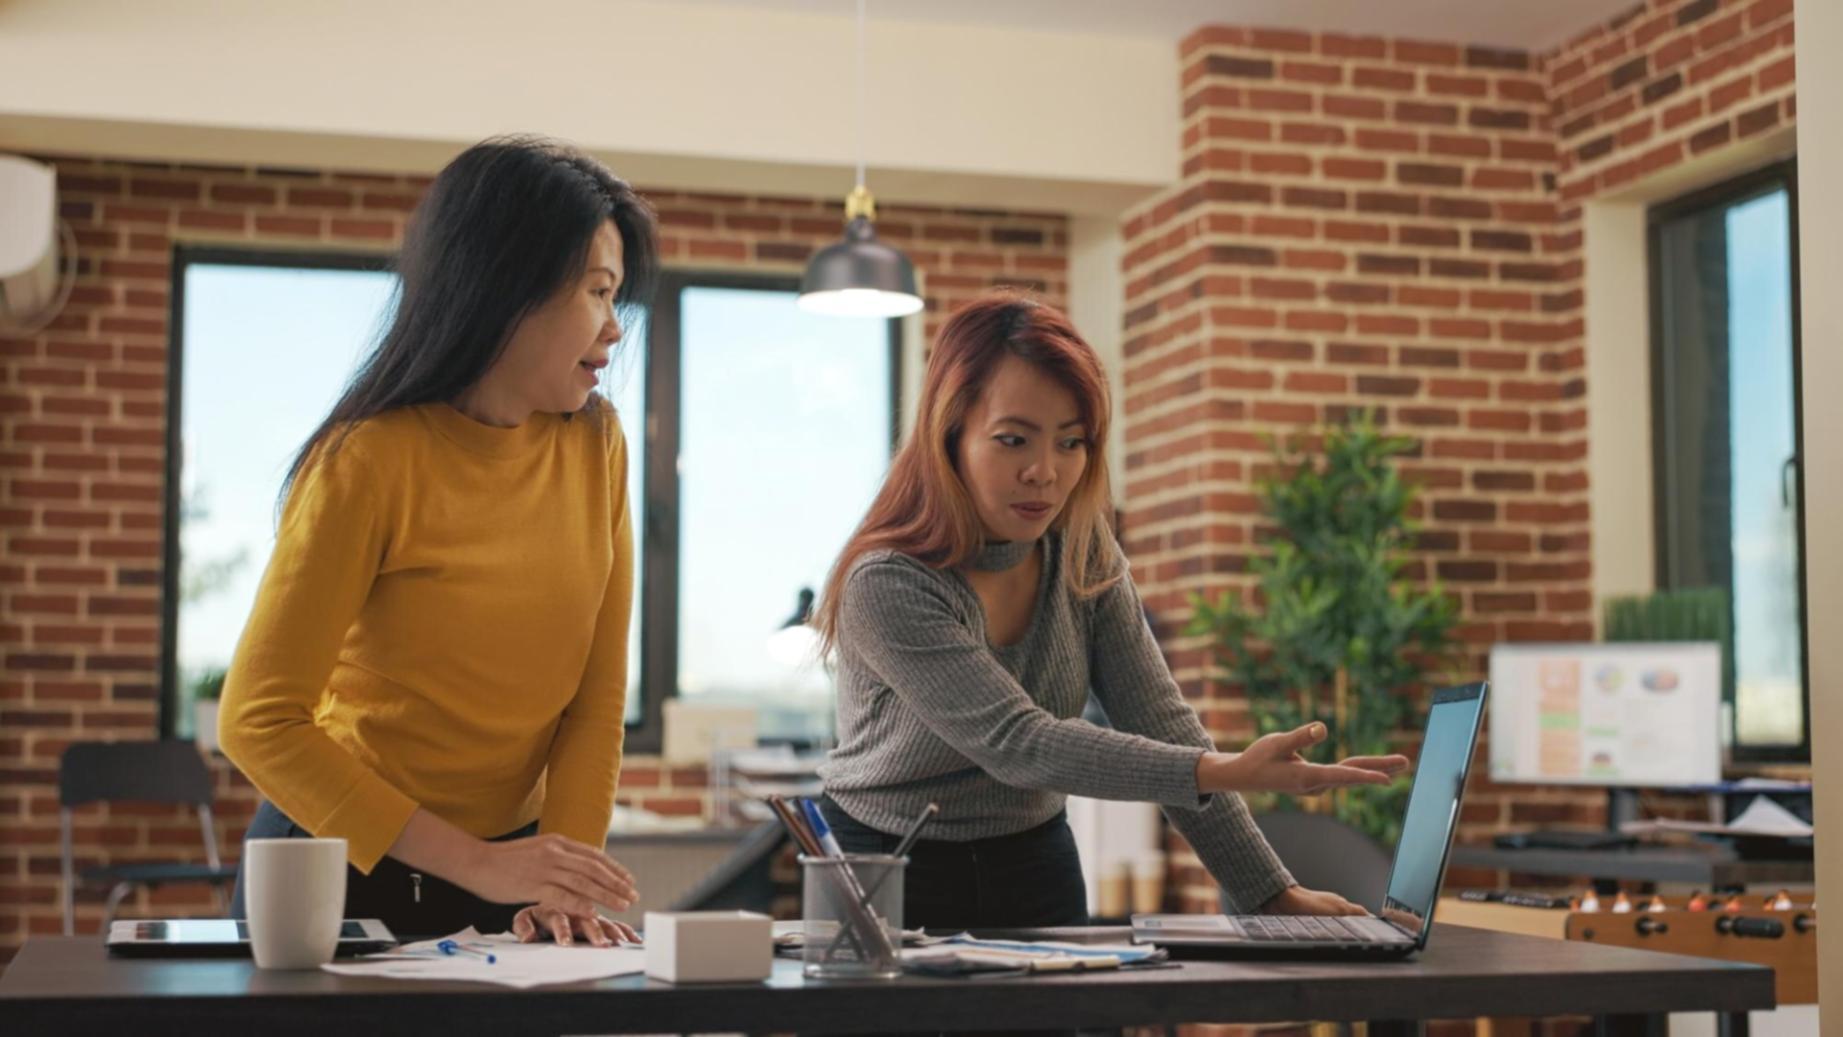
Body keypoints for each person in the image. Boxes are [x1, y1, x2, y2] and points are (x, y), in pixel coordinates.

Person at [813, 292, 1409, 930]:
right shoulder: (887, 581)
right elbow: (1018, 743)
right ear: (949, 435)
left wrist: (1268, 892)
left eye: (1071, 442)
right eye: (1013, 440)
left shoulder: (1083, 553)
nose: (1045, 471)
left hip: (1033, 857)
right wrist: (1226, 770)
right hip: (885, 863)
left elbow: (1161, 720)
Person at [219, 135, 657, 946]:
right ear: (509, 286)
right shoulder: (367, 459)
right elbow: (258, 720)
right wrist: (482, 864)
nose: (615, 327)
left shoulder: (596, 447)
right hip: (339, 865)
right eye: (598, 291)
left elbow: (593, 704)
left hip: (510, 879)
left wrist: (562, 881)